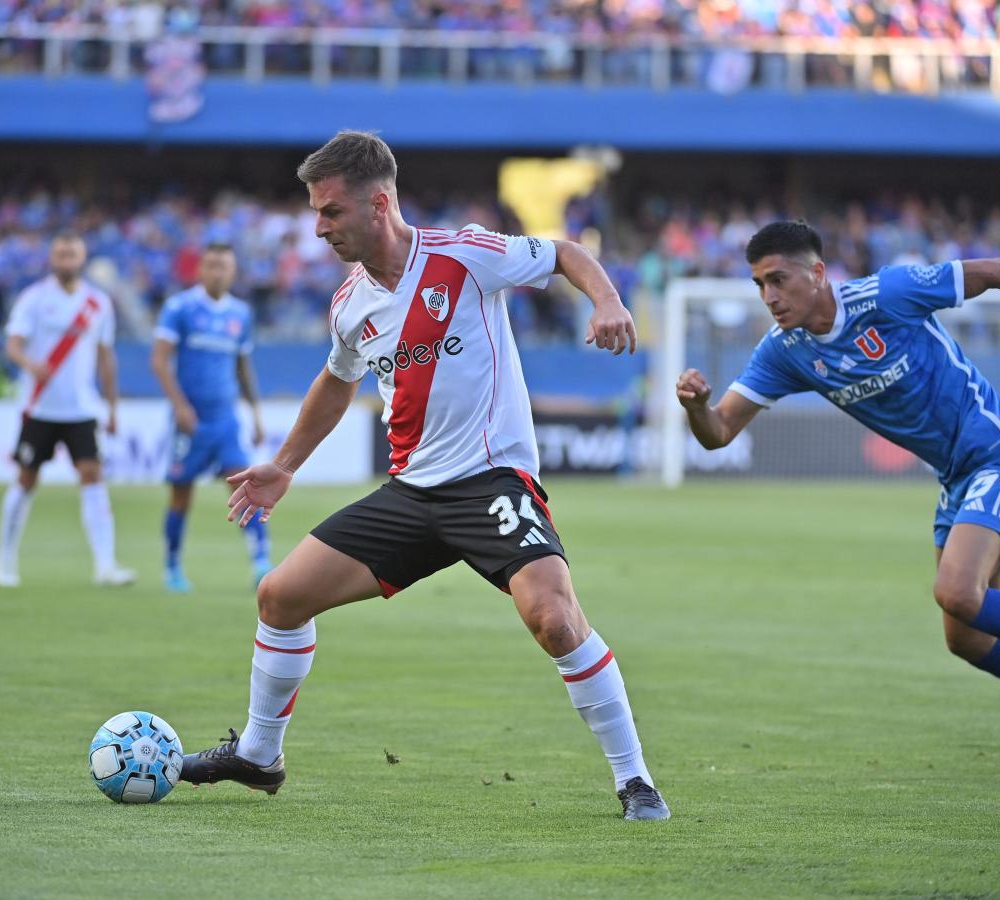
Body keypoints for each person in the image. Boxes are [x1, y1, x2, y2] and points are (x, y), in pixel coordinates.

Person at [178, 131, 670, 821]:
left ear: (379, 204)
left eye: (331, 212)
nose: (319, 229)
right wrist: (283, 466)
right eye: (317, 214)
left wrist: (607, 299)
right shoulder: (350, 304)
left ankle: (635, 780)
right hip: (412, 495)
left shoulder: (464, 255)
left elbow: (563, 253)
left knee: (555, 620)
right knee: (280, 597)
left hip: (492, 482)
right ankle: (261, 755)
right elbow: (334, 380)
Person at [676, 220, 1000, 771]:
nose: (769, 296)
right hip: (957, 478)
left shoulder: (888, 294)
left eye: (778, 279)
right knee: (963, 637)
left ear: (817, 273)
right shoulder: (785, 351)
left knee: (958, 593)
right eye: (759, 284)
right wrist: (696, 407)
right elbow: (719, 432)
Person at [0, 233, 135, 588]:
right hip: (40, 407)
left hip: (82, 410)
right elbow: (12, 346)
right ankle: (5, 560)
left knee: (92, 476)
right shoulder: (34, 299)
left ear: (82, 258)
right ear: (52, 258)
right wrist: (30, 363)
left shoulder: (97, 303)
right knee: (26, 479)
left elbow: (106, 357)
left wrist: (112, 406)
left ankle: (105, 565)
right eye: (60, 253)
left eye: (72, 253)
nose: (66, 259)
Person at [151, 244, 269, 593]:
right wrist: (180, 406)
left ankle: (261, 562)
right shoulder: (180, 308)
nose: (218, 272)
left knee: (245, 489)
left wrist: (256, 413)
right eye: (212, 265)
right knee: (181, 495)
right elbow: (159, 361)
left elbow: (242, 366)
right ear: (201, 270)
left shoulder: (241, 314)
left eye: (225, 266)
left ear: (233, 272)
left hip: (226, 420)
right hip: (191, 420)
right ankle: (172, 567)